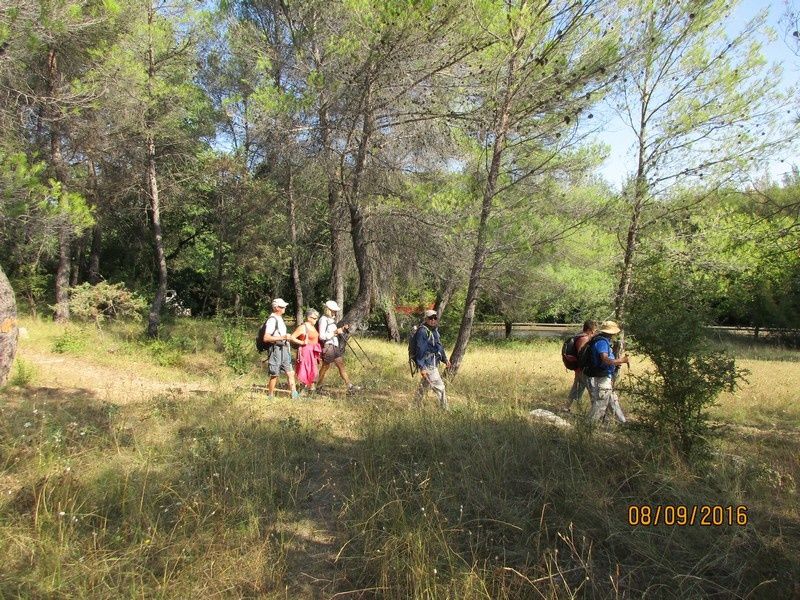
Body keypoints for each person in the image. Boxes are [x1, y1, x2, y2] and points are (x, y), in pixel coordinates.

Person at [586, 320, 629, 423]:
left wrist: (615, 362)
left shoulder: (601, 340)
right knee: (600, 404)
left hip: (604, 375)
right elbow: (605, 359)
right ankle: (588, 426)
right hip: (603, 376)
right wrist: (621, 360)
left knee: (613, 401)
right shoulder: (602, 342)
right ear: (611, 332)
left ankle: (622, 422)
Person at [261, 298, 304, 400]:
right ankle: (270, 396)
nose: (284, 308)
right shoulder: (272, 320)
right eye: (282, 306)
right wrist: (283, 337)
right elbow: (266, 338)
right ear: (276, 308)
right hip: (276, 349)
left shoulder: (279, 318)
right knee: (274, 373)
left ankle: (294, 395)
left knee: (290, 372)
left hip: (284, 348)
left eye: (284, 306)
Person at [316, 300, 360, 394]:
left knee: (341, 366)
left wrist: (342, 329)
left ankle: (350, 386)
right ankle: (318, 386)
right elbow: (322, 336)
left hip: (334, 346)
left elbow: (333, 333)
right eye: (334, 310)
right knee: (325, 367)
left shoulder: (331, 319)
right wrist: (335, 332)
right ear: (329, 310)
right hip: (328, 346)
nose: (335, 312)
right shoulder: (323, 319)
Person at [413, 309, 451, 410]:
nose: (433, 320)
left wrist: (445, 359)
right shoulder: (422, 331)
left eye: (435, 318)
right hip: (428, 364)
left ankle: (414, 407)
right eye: (430, 318)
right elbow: (420, 350)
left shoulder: (434, 330)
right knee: (440, 387)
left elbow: (439, 346)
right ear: (426, 319)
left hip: (433, 362)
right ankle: (445, 410)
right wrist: (422, 367)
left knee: (423, 387)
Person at [562, 320, 597, 413]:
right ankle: (596, 412)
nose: (595, 332)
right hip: (584, 370)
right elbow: (582, 355)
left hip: (579, 370)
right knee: (593, 391)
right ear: (590, 329)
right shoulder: (584, 339)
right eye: (594, 330)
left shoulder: (579, 336)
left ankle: (566, 408)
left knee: (575, 390)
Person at [292, 308, 322, 393]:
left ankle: (311, 390)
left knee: (313, 370)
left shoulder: (313, 326)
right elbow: (292, 337)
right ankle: (303, 390)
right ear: (308, 317)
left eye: (317, 318)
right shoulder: (302, 327)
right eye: (314, 318)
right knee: (305, 369)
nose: (316, 320)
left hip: (313, 352)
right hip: (306, 351)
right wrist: (301, 342)